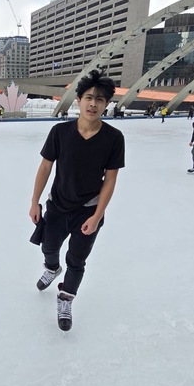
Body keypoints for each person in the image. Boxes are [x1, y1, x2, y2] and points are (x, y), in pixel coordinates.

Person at [29, 69, 125, 331]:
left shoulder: (113, 138)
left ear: (106, 104)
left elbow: (110, 180)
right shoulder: (60, 132)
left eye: (100, 100)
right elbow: (45, 167)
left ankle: (65, 298)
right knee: (48, 247)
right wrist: (35, 201)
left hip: (88, 211)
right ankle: (52, 268)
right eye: (89, 98)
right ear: (79, 100)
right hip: (57, 206)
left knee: (77, 260)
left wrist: (97, 216)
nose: (93, 104)